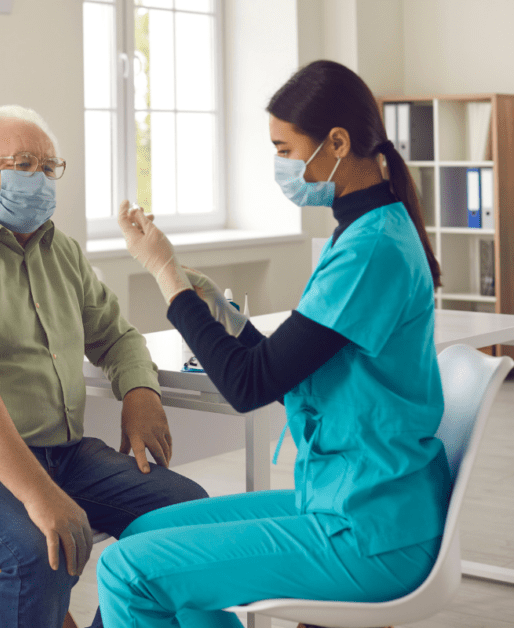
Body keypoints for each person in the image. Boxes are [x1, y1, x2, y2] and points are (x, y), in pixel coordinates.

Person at [97, 59, 449, 628]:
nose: (279, 165)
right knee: (145, 533)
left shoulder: (371, 249)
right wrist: (213, 307)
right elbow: (291, 365)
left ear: (336, 143)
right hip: (347, 502)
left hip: (370, 529)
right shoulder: (361, 232)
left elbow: (249, 384)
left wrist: (165, 275)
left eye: (285, 149)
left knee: (128, 572)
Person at [0, 104, 209, 628]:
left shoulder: (63, 253)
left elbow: (118, 337)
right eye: (22, 164)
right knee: (40, 547)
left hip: (57, 449)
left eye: (47, 167)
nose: (38, 179)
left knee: (186, 514)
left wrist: (141, 395)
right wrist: (40, 496)